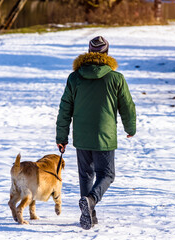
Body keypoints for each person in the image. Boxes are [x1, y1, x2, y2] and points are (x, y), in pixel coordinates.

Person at [56, 36, 136, 230]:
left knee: (85, 175)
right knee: (107, 174)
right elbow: (127, 106)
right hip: (105, 136)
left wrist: (61, 137)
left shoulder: (74, 78)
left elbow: (65, 108)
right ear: (106, 53)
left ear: (89, 52)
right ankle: (91, 201)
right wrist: (130, 128)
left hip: (82, 136)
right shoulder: (116, 78)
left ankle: (90, 216)